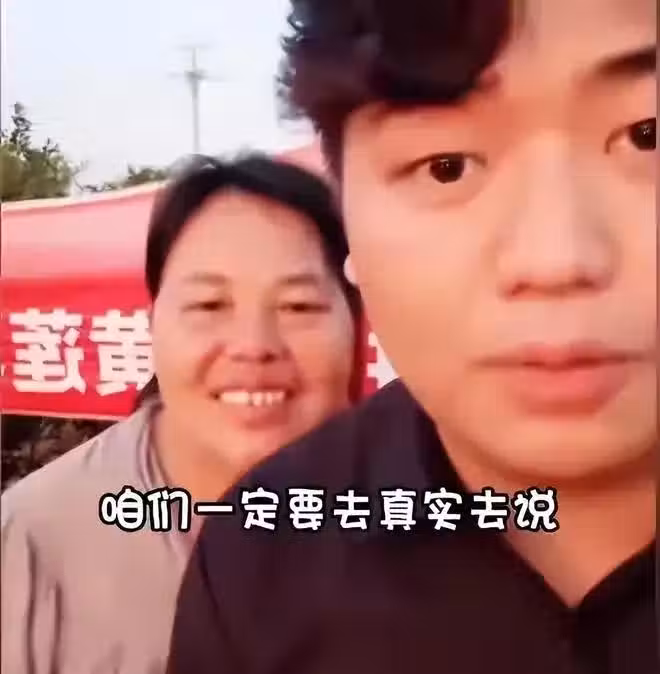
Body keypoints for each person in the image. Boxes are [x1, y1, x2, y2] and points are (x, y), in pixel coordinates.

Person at [165, 1, 657, 672]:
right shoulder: (264, 551)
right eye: (445, 165)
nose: (556, 258)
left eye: (647, 135)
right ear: (348, 228)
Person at [1, 153, 363, 674]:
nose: (253, 346)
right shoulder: (32, 542)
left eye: (298, 306)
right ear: (152, 325)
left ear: (356, 321)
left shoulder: (432, 517)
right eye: (209, 305)